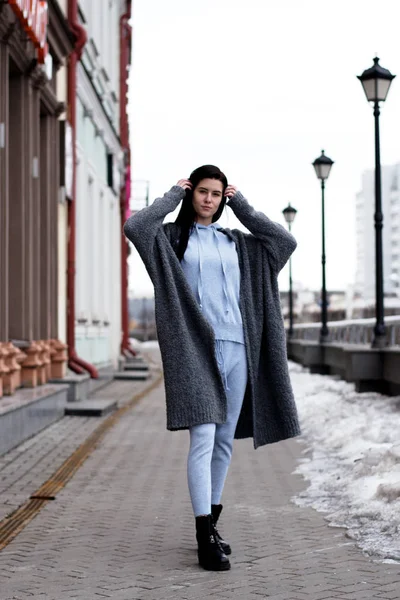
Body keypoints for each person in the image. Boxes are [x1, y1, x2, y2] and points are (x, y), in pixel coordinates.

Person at [123, 164, 300, 572]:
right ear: (192, 194)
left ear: (224, 199)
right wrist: (171, 195)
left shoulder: (239, 242)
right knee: (202, 437)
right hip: (195, 351)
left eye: (217, 194)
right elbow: (136, 225)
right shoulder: (169, 240)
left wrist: (244, 208)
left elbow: (284, 241)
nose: (208, 199)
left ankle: (213, 526)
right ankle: (204, 538)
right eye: (202, 191)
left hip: (239, 346)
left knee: (222, 441)